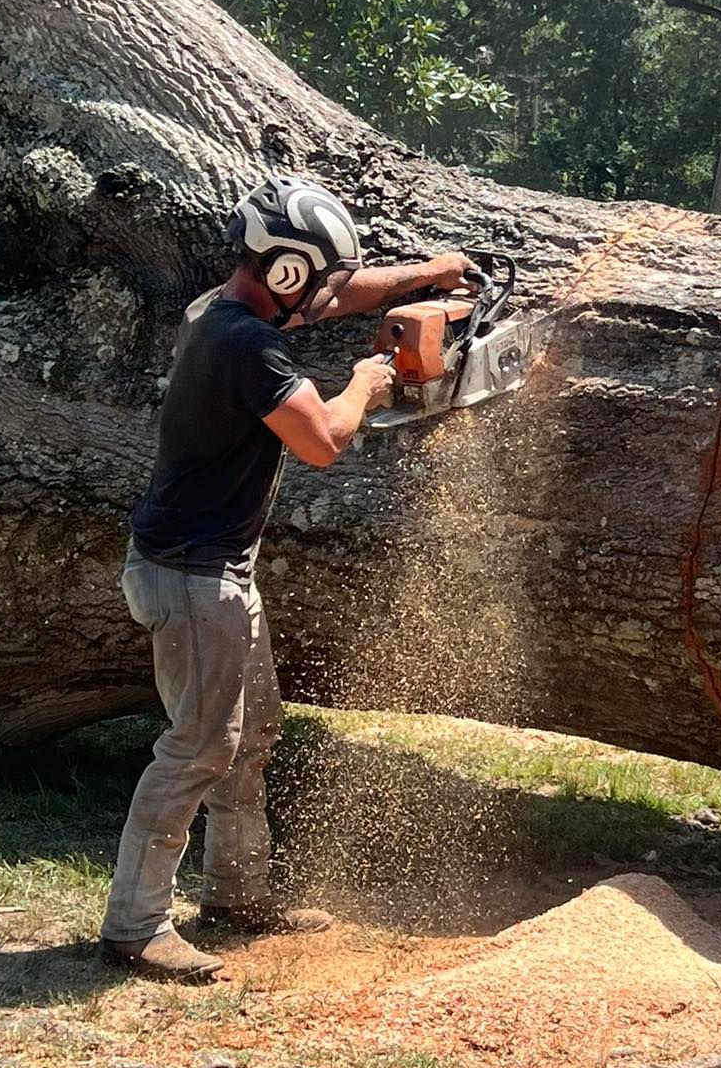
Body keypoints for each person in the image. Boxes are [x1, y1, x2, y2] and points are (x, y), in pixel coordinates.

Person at [100, 173, 479, 981]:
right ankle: (134, 927)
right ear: (285, 274)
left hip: (216, 570)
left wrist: (427, 272)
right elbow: (322, 440)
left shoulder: (222, 308)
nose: (329, 293)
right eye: (319, 277)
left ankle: (237, 895)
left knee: (251, 731)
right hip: (194, 579)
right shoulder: (247, 346)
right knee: (199, 747)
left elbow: (337, 297)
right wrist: (367, 383)